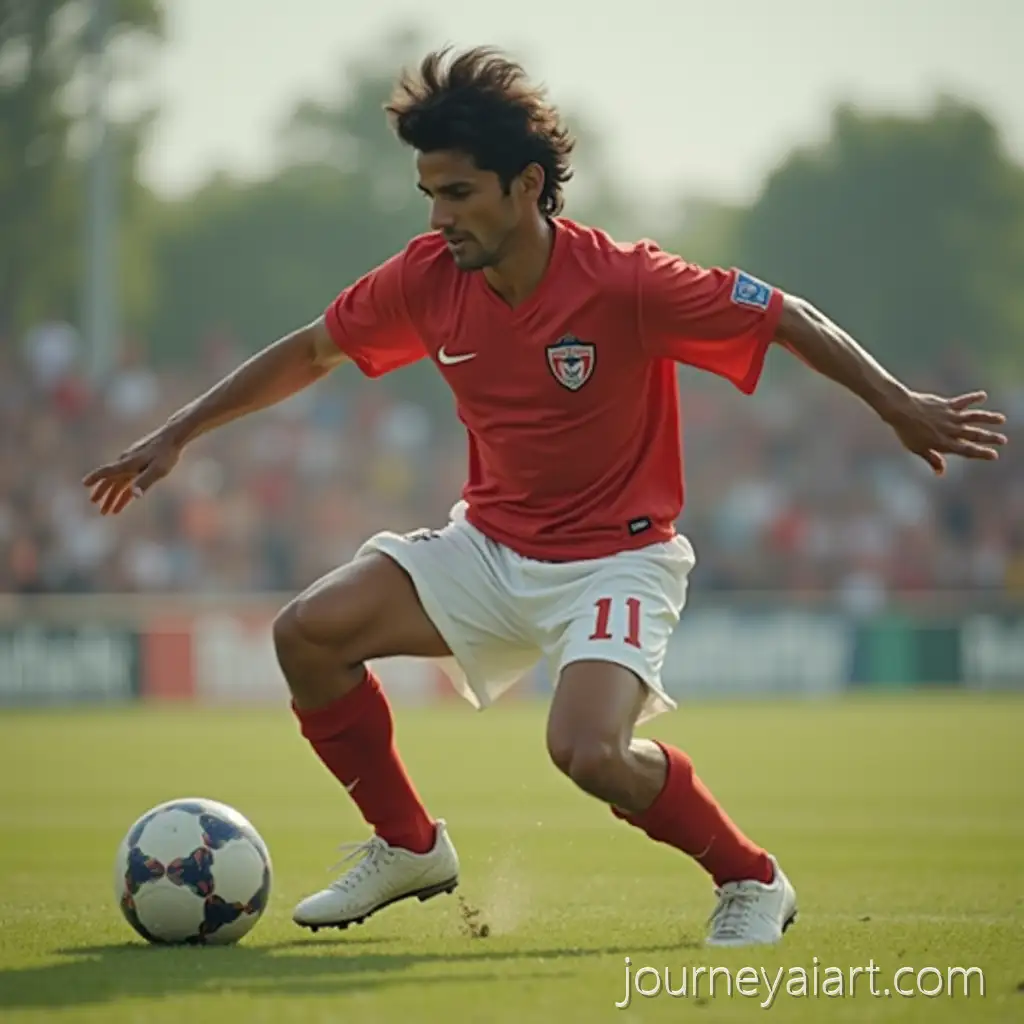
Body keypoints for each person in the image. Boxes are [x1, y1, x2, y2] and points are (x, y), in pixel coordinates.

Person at [83, 46, 1008, 947]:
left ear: (527, 185)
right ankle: (409, 847)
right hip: (489, 548)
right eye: (430, 195)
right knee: (306, 634)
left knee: (589, 755)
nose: (440, 218)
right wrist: (177, 431)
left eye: (459, 193)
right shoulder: (427, 278)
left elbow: (783, 315)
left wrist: (898, 405)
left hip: (619, 556)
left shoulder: (628, 282)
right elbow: (311, 349)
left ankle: (750, 878)